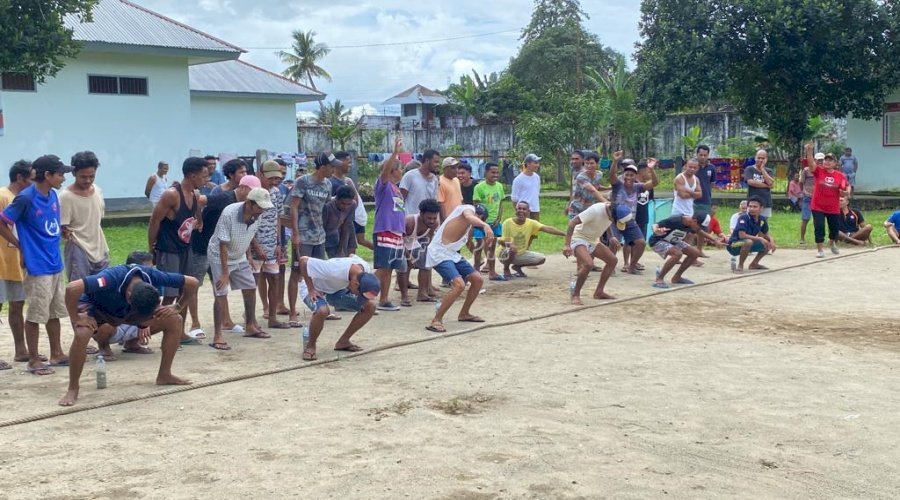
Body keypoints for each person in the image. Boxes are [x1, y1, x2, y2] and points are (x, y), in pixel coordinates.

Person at [58, 261, 199, 406]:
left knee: (175, 319)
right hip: (99, 309)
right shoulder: (110, 278)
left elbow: (192, 282)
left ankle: (164, 374)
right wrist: (76, 318)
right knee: (82, 333)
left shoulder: (152, 275)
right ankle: (73, 388)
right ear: (129, 294)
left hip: (131, 312)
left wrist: (178, 306)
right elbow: (72, 288)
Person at [0, 155, 73, 375]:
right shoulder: (26, 198)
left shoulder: (53, 195)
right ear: (47, 175)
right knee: (35, 313)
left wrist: (62, 231)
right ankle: (33, 359)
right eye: (60, 174)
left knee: (54, 311)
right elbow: (3, 222)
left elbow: (48, 224)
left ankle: (56, 352)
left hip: (54, 262)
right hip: (37, 264)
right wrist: (21, 246)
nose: (63, 178)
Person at [187, 167, 251, 338]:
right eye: (241, 172)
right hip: (201, 245)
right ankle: (195, 323)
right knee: (194, 284)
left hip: (218, 248)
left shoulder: (244, 206)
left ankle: (226, 320)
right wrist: (199, 220)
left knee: (221, 285)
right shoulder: (224, 197)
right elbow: (198, 199)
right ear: (243, 188)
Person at [207, 187, 274, 350]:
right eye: (260, 207)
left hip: (240, 256)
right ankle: (218, 335)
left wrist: (252, 254)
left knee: (250, 287)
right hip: (219, 256)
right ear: (249, 203)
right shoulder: (229, 213)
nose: (263, 210)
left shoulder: (257, 215)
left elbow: (249, 235)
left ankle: (250, 326)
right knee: (221, 292)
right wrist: (224, 273)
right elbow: (223, 245)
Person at [148, 157, 206, 313]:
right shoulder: (172, 195)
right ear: (193, 176)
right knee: (170, 295)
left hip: (185, 249)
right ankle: (164, 328)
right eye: (204, 176)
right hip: (169, 250)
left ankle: (179, 332)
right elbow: (154, 222)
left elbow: (196, 217)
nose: (206, 180)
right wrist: (151, 250)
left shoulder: (194, 195)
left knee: (185, 291)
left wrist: (198, 221)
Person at [288, 152, 340, 325]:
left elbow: (324, 209)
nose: (334, 170)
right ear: (323, 166)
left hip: (319, 235)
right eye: (332, 166)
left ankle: (319, 306)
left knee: (319, 273)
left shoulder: (327, 185)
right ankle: (292, 313)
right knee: (297, 273)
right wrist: (295, 233)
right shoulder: (303, 182)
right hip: (302, 235)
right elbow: (293, 207)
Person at [425, 204, 493, 333]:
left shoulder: (468, 228)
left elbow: (467, 243)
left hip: (452, 254)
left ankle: (464, 313)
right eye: (479, 218)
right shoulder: (467, 209)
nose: (477, 220)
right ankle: (436, 320)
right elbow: (469, 216)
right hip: (438, 252)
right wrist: (486, 226)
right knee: (459, 285)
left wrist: (478, 255)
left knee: (477, 279)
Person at [297, 255, 380, 361]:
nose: (358, 296)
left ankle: (343, 341)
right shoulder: (333, 269)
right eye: (359, 294)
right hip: (315, 288)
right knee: (322, 311)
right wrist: (311, 289)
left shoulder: (365, 269)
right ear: (355, 283)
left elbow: (352, 256)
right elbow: (303, 261)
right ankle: (310, 345)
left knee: (370, 306)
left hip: (336, 290)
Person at [0, 160, 35, 370]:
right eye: (31, 178)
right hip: (1, 260)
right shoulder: (3, 196)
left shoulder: (25, 198)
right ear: (20, 178)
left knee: (18, 304)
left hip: (17, 262)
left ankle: (21, 349)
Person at [563, 202, 631, 305]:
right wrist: (567, 245)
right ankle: (575, 294)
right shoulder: (595, 210)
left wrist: (611, 236)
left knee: (612, 260)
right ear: (613, 214)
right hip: (578, 237)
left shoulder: (612, 212)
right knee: (588, 264)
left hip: (593, 240)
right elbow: (572, 222)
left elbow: (607, 223)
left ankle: (599, 292)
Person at [61, 151, 110, 283]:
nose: (88, 180)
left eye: (92, 176)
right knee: (79, 290)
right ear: (73, 173)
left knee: (103, 288)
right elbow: (62, 227)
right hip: (78, 249)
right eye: (83, 177)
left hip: (99, 247)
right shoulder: (66, 197)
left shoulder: (97, 191)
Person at [252, 161, 289, 329]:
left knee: (274, 279)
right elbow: (248, 221)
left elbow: (278, 218)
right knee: (253, 281)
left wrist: (279, 242)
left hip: (272, 244)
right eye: (271, 178)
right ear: (261, 174)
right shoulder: (253, 194)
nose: (274, 182)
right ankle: (251, 319)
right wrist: (256, 245)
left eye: (277, 178)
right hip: (254, 244)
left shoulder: (276, 193)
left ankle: (273, 317)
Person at [608, 152, 658, 274]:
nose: (628, 177)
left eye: (631, 175)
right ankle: (610, 266)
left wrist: (651, 170)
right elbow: (612, 175)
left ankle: (632, 266)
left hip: (630, 220)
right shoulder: (618, 185)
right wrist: (615, 161)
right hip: (615, 219)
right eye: (626, 174)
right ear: (623, 175)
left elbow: (654, 183)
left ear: (635, 176)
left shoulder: (638, 187)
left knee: (641, 242)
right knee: (614, 243)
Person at [373, 138, 407, 312]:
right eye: (399, 168)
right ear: (393, 171)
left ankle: (383, 299)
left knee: (389, 267)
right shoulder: (384, 185)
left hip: (396, 232)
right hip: (385, 230)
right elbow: (385, 171)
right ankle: (362, 290)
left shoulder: (396, 189)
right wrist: (395, 153)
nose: (402, 172)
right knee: (384, 267)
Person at [649, 211, 721, 288]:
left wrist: (714, 240)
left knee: (695, 253)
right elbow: (655, 225)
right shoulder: (676, 220)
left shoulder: (693, 225)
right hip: (658, 241)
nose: (699, 228)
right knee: (677, 254)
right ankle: (659, 279)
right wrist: (656, 230)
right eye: (699, 226)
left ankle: (677, 277)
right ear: (694, 221)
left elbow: (699, 231)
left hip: (673, 241)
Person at [805, 143, 850, 258]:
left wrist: (846, 194)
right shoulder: (819, 171)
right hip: (818, 206)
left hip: (833, 207)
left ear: (835, 163)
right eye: (825, 160)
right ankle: (820, 250)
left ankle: (832, 242)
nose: (827, 162)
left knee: (834, 229)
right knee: (819, 227)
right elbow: (811, 163)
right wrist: (809, 151)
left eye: (830, 160)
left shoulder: (840, 176)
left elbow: (846, 186)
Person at [499, 201, 565, 278]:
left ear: (528, 212)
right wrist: (510, 245)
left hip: (520, 253)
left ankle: (517, 267)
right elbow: (501, 241)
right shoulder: (507, 222)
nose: (521, 211)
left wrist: (564, 234)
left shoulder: (532, 223)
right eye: (519, 208)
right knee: (512, 250)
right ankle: (506, 269)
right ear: (516, 210)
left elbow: (547, 228)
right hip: (504, 253)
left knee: (541, 259)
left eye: (524, 209)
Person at [401, 198, 441, 303]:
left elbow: (429, 240)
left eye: (434, 218)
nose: (432, 221)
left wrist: (427, 256)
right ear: (421, 214)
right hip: (400, 242)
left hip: (415, 241)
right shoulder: (409, 222)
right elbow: (398, 241)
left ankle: (422, 293)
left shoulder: (434, 224)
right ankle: (404, 295)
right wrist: (409, 257)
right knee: (404, 265)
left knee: (426, 261)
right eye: (429, 218)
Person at [330, 151, 372, 251]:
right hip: (343, 221)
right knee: (348, 246)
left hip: (355, 217)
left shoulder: (348, 180)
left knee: (353, 245)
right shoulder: (331, 182)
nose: (350, 165)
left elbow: (355, 199)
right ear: (339, 163)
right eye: (348, 162)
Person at [472, 162, 505, 280]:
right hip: (481, 223)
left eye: (497, 172)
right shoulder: (479, 187)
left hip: (495, 223)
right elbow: (477, 206)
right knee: (479, 246)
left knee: (491, 247)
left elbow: (501, 203)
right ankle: (475, 272)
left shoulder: (499, 186)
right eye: (493, 172)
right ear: (486, 172)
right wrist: (482, 222)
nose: (495, 175)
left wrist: (498, 218)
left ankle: (492, 272)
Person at [726, 196, 776, 273]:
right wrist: (760, 238)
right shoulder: (743, 218)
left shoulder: (762, 219)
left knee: (767, 242)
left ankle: (754, 264)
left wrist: (772, 242)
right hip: (734, 245)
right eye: (750, 206)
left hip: (748, 243)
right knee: (748, 242)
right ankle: (740, 266)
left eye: (755, 207)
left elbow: (766, 233)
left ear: (761, 208)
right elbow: (742, 235)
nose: (752, 209)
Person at [567, 151, 609, 219]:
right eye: (587, 163)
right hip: (577, 210)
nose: (589, 166)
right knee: (576, 229)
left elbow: (596, 187)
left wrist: (608, 188)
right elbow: (593, 190)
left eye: (592, 163)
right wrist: (606, 202)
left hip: (590, 209)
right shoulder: (581, 177)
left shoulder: (599, 174)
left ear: (597, 164)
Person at [399, 149, 440, 217]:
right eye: (436, 162)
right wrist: (399, 219)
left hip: (427, 222)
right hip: (410, 221)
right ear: (427, 161)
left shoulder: (434, 179)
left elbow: (433, 201)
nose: (438, 165)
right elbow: (400, 199)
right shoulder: (410, 176)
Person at [323, 185, 357, 258]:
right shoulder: (327, 206)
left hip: (341, 230)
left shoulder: (353, 204)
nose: (346, 207)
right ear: (336, 199)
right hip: (327, 233)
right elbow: (322, 227)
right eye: (343, 203)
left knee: (345, 255)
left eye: (348, 204)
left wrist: (341, 248)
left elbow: (346, 225)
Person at [744, 149, 775, 217]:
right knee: (751, 221)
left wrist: (762, 169)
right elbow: (751, 182)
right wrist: (766, 186)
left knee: (764, 223)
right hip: (752, 202)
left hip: (766, 202)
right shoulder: (749, 169)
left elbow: (770, 182)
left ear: (766, 159)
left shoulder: (769, 171)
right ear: (755, 158)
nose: (760, 160)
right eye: (759, 158)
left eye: (763, 158)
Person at [511, 153, 542, 220]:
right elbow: (514, 199)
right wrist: (519, 212)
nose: (537, 165)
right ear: (528, 164)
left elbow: (536, 193)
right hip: (524, 211)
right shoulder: (518, 179)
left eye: (538, 163)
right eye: (535, 163)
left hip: (535, 210)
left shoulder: (537, 177)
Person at [799, 154, 820, 244]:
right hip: (807, 196)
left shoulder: (823, 171)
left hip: (818, 197)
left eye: (822, 160)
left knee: (818, 219)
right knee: (805, 218)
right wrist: (803, 191)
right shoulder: (806, 170)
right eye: (819, 160)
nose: (821, 161)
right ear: (814, 159)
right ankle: (802, 238)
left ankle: (818, 238)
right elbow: (801, 182)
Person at [635, 160, 655, 240]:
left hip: (643, 218)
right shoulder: (633, 184)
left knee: (642, 241)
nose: (651, 174)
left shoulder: (649, 186)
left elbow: (648, 200)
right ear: (642, 172)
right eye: (649, 172)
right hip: (632, 218)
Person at [566, 150, 585, 214]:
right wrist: (568, 204)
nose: (574, 161)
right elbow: (572, 190)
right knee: (572, 223)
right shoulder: (573, 171)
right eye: (572, 159)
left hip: (585, 206)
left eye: (577, 159)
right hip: (574, 205)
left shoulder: (586, 173)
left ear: (583, 160)